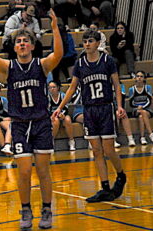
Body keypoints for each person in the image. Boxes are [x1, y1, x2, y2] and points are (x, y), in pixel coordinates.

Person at [0, 9, 63, 230]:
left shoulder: (41, 65)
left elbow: (58, 55)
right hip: (19, 125)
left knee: (43, 170)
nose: (23, 44)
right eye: (19, 42)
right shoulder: (9, 68)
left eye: (26, 41)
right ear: (14, 47)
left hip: (41, 123)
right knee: (24, 171)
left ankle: (47, 209)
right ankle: (25, 209)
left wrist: (54, 29)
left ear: (33, 46)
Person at [52, 29, 127, 202]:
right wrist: (60, 107)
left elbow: (116, 85)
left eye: (90, 41)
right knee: (96, 150)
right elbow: (72, 88)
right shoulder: (80, 63)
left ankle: (121, 175)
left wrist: (120, 106)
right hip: (89, 109)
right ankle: (105, 187)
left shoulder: (108, 61)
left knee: (108, 148)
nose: (87, 44)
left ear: (98, 43)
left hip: (106, 108)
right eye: (85, 41)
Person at [129, 71, 153, 145]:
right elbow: (131, 103)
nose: (139, 78)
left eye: (141, 76)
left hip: (146, 108)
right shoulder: (131, 89)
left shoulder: (148, 88)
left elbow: (149, 101)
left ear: (144, 78)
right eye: (138, 76)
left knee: (142, 115)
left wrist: (142, 107)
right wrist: (137, 107)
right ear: (135, 78)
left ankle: (142, 137)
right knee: (142, 113)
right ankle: (150, 133)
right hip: (136, 109)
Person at [48, 81, 76, 151]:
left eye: (54, 87)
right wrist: (52, 116)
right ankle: (51, 142)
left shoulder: (63, 95)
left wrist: (62, 114)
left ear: (58, 88)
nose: (52, 89)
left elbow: (66, 107)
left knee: (67, 120)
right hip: (53, 116)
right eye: (50, 87)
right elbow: (47, 110)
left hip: (63, 114)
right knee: (56, 121)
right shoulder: (48, 97)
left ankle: (71, 141)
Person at [114, 81, 135, 147]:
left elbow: (122, 98)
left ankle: (130, 139)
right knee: (113, 115)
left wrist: (119, 109)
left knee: (123, 114)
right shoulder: (105, 85)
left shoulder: (121, 85)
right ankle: (113, 139)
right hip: (107, 109)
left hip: (118, 107)